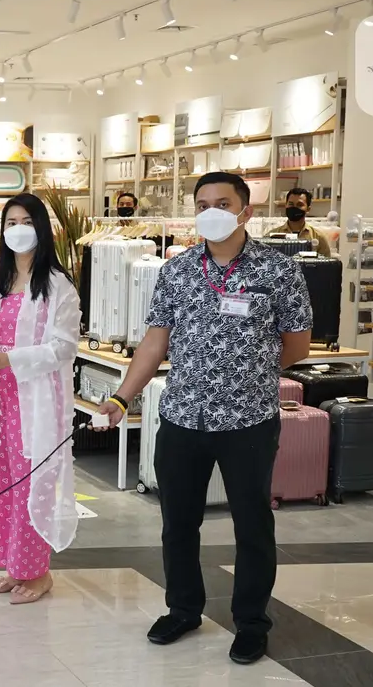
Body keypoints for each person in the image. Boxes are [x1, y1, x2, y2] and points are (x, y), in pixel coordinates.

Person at [96, 172, 313, 665]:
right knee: (178, 523)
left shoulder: (278, 272)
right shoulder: (177, 270)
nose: (210, 210)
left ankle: (252, 622)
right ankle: (183, 609)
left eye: (222, 202)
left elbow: (296, 344)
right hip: (183, 418)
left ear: (246, 211)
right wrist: (122, 397)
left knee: (252, 525)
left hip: (249, 421)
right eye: (202, 203)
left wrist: (248, 370)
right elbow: (156, 341)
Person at [0, 192, 81, 605]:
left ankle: (36, 573)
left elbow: (64, 347)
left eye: (26, 221)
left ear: (41, 228)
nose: (17, 229)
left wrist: (9, 359)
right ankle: (13, 567)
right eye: (10, 222)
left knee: (32, 485)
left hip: (35, 401)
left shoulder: (58, 286)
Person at [267, 188, 332, 257]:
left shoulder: (318, 237)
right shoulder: (271, 237)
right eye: (291, 204)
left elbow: (326, 264)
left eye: (299, 205)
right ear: (286, 205)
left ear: (308, 209)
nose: (294, 208)